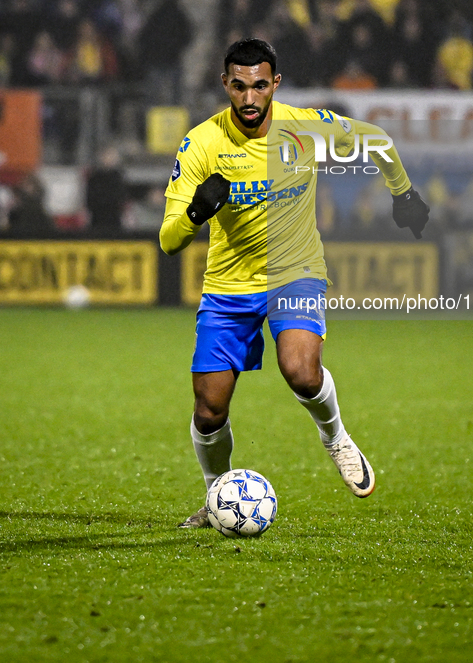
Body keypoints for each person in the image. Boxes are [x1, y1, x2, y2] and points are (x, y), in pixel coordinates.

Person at [159, 38, 429, 528]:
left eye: (259, 86)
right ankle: (217, 495)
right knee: (208, 411)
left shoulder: (304, 128)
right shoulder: (200, 144)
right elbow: (169, 239)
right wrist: (198, 211)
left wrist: (403, 193)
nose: (248, 98)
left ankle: (337, 438)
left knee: (302, 371)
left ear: (275, 85)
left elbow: (377, 141)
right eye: (238, 86)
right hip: (229, 285)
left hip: (294, 270)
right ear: (224, 84)